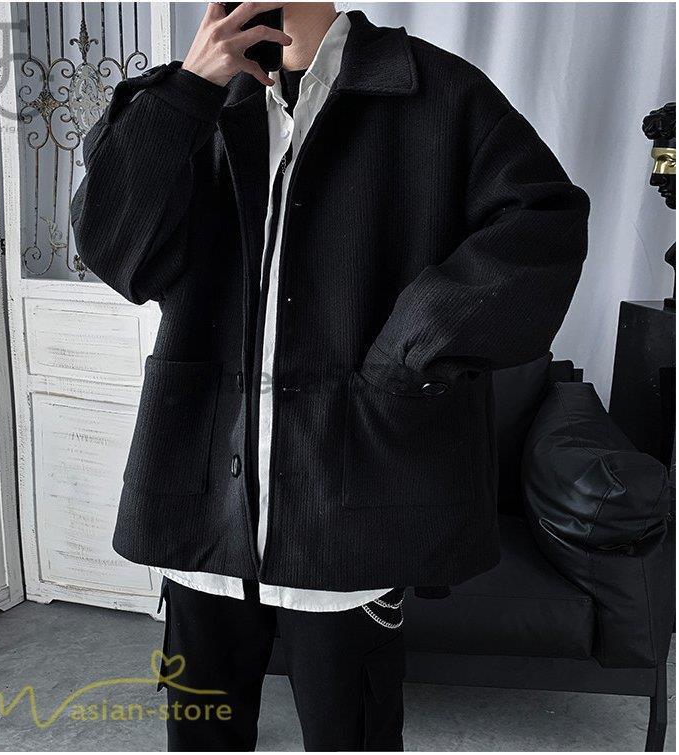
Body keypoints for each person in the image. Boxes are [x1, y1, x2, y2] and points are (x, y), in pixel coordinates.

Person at [71, 2, 589, 750]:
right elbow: (115, 249)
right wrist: (187, 92)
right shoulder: (183, 105)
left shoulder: (435, 92)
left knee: (351, 735)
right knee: (201, 736)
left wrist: (408, 348)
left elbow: (541, 224)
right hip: (202, 508)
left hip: (350, 505)